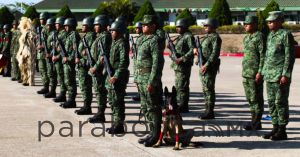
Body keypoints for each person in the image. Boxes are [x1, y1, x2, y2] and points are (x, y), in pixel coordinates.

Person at [262, 11, 295, 141]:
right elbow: (267, 56)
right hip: (269, 75)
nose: (269, 23)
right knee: (271, 103)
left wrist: (285, 74)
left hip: (280, 76)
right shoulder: (270, 35)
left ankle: (282, 130)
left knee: (280, 102)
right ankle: (275, 127)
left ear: (280, 21)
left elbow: (289, 56)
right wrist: (263, 71)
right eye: (268, 21)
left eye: (272, 21)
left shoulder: (285, 35)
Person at [136, 15, 164, 147]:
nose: (143, 27)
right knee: (146, 108)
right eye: (143, 25)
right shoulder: (142, 39)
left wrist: (152, 82)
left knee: (154, 107)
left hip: (149, 80)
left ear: (153, 26)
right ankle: (152, 132)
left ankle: (157, 135)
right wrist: (136, 78)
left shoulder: (155, 40)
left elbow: (157, 63)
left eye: (146, 25)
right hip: (141, 80)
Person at [105, 21, 129, 134]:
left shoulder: (122, 44)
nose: (111, 32)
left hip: (118, 78)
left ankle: (119, 125)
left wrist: (116, 75)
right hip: (111, 76)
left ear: (119, 32)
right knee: (112, 101)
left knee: (118, 101)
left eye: (113, 31)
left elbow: (124, 62)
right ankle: (115, 123)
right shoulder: (114, 43)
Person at [242, 15, 265, 130]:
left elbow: (263, 56)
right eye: (245, 24)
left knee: (256, 98)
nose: (245, 26)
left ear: (255, 24)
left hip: (255, 73)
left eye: (248, 23)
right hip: (246, 73)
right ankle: (253, 120)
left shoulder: (259, 37)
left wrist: (260, 72)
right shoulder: (246, 38)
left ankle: (257, 122)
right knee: (250, 98)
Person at [87, 15, 112, 123]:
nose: (95, 27)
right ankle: (99, 112)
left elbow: (103, 56)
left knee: (100, 91)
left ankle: (101, 113)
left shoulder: (105, 36)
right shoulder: (99, 36)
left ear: (102, 25)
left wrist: (95, 67)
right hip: (96, 68)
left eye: (97, 24)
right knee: (98, 91)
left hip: (100, 70)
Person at [197, 18, 222, 120]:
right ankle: (206, 109)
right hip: (202, 66)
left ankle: (210, 111)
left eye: (207, 26)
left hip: (209, 67)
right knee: (205, 89)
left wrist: (206, 65)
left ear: (213, 26)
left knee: (209, 89)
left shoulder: (215, 38)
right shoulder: (205, 37)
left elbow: (214, 54)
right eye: (205, 26)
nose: (205, 27)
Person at [171, 18, 194, 113]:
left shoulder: (188, 36)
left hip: (184, 65)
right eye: (176, 27)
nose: (177, 29)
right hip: (178, 66)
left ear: (184, 27)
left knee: (183, 86)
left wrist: (182, 58)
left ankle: (184, 105)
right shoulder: (180, 36)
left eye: (179, 27)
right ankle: (180, 103)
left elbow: (192, 50)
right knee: (178, 86)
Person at [74, 17, 95, 115]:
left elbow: (89, 52)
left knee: (86, 86)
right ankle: (86, 105)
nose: (82, 27)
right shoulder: (86, 35)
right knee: (83, 86)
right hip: (82, 64)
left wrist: (82, 55)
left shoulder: (91, 36)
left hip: (85, 65)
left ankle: (87, 107)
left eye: (84, 25)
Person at [60, 18, 80, 108]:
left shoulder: (74, 35)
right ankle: (69, 99)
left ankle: (72, 100)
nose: (65, 27)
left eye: (67, 26)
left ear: (71, 26)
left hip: (70, 62)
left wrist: (69, 58)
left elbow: (76, 51)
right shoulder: (69, 35)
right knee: (67, 81)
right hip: (67, 61)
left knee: (70, 81)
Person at [16, 17, 36, 86]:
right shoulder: (22, 33)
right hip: (22, 51)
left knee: (30, 66)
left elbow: (32, 37)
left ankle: (30, 81)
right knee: (22, 65)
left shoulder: (29, 31)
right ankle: (25, 79)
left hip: (29, 51)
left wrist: (28, 34)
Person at [51, 17, 67, 102]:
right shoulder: (58, 33)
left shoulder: (63, 34)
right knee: (59, 77)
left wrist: (57, 57)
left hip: (60, 60)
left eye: (57, 24)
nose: (56, 25)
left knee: (62, 77)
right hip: (57, 59)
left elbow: (64, 50)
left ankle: (63, 94)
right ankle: (61, 93)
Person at [36, 12, 50, 95]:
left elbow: (49, 41)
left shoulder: (47, 28)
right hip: (40, 53)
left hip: (45, 53)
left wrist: (42, 46)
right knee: (41, 70)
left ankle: (46, 87)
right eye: (40, 19)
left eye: (42, 19)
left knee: (45, 71)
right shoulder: (40, 28)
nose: (41, 20)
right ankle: (45, 86)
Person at [44, 17, 58, 99]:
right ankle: (51, 90)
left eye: (49, 25)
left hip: (52, 57)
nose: (48, 27)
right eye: (47, 25)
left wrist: (51, 54)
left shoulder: (54, 33)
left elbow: (55, 47)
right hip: (49, 56)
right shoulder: (49, 33)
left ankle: (53, 91)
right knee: (50, 74)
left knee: (53, 75)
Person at [131, 22, 143, 102]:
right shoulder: (139, 38)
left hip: (141, 63)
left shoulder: (143, 38)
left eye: (137, 28)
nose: (136, 29)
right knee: (136, 79)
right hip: (136, 62)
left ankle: (142, 94)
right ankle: (139, 93)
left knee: (140, 79)